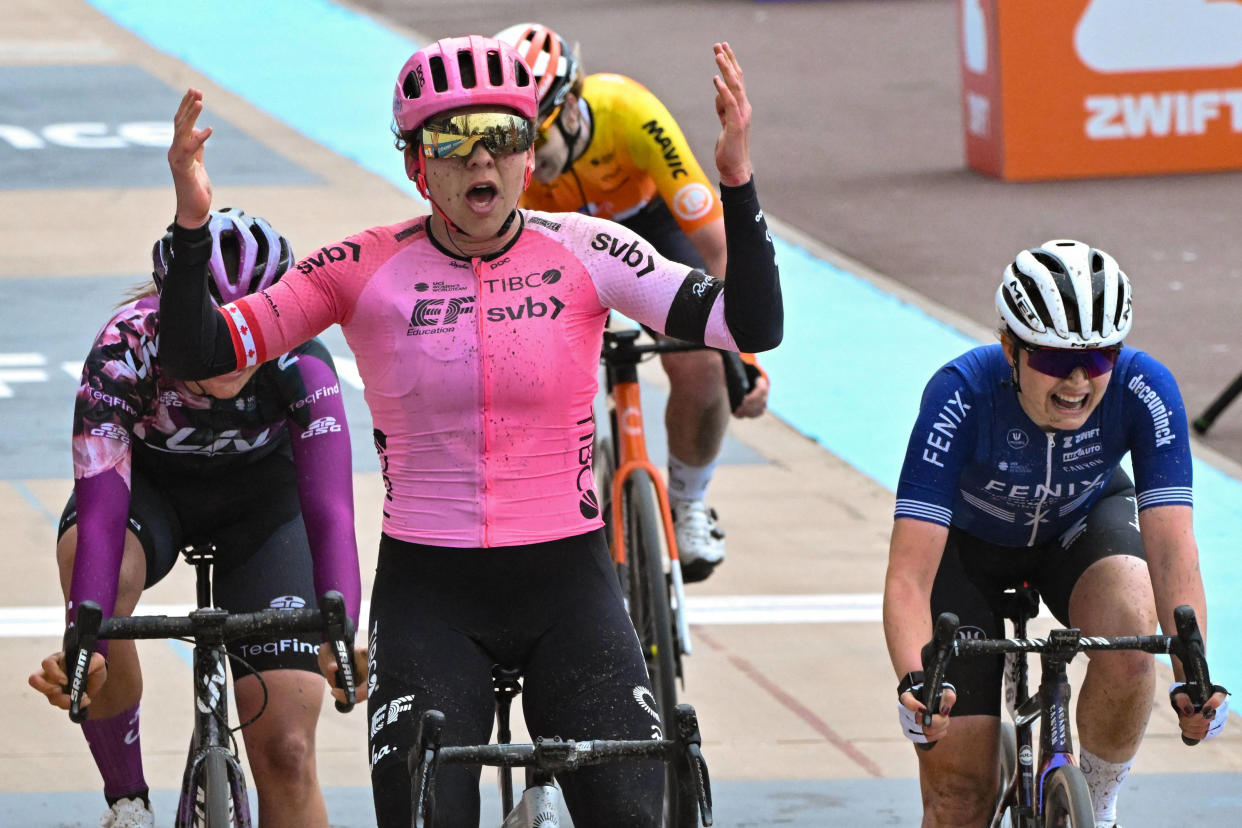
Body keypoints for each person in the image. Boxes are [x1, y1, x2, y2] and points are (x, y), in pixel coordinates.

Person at [156, 35, 779, 827]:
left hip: (570, 589)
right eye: (452, 144)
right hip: (430, 598)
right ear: (418, 165)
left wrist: (737, 179)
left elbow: (753, 320)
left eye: (505, 138)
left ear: (527, 156)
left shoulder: (587, 251)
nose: (481, 161)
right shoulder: (362, 267)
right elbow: (199, 353)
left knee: (635, 814)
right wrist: (190, 225)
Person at [27, 209, 362, 828]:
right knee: (89, 570)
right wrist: (90, 644)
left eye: (252, 327)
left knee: (287, 750)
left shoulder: (302, 361)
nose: (233, 350)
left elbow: (332, 510)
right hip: (149, 495)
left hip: (264, 512)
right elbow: (101, 512)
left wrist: (341, 629)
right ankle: (128, 802)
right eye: (213, 328)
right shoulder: (123, 352)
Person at [883, 239, 1229, 828]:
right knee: (960, 798)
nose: (1077, 379)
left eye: (1098, 358)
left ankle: (1097, 803)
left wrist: (1194, 676)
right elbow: (909, 577)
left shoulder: (1146, 389)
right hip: (970, 553)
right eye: (1051, 358)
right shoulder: (959, 393)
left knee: (1130, 630)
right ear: (1009, 347)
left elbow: (1172, 547)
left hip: (1082, 529)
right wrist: (917, 686)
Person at [496, 22, 772, 583]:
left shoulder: (630, 112)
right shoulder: (512, 167)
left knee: (700, 363)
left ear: (571, 111)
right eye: (513, 141)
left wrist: (740, 357)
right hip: (559, 237)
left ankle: (688, 502)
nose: (526, 158)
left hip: (649, 227)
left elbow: (717, 247)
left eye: (536, 139)